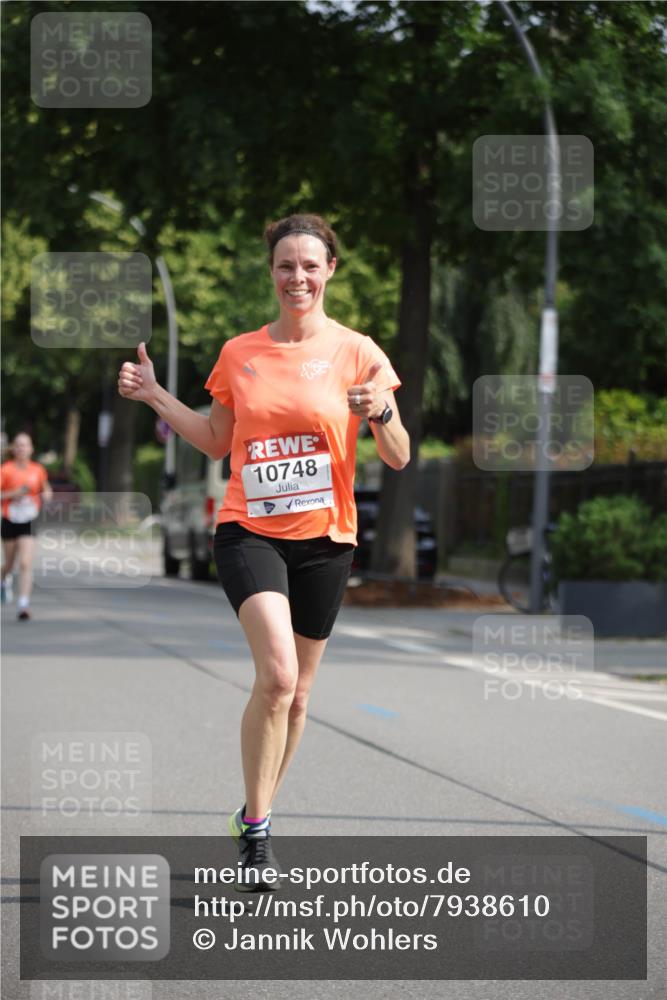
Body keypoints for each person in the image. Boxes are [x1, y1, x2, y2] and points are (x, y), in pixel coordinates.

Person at [118, 213, 410, 890]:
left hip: (326, 541)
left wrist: (381, 413)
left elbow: (396, 457)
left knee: (300, 696)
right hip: (249, 530)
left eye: (310, 265)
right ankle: (257, 835)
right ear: (271, 271)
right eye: (285, 265)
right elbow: (218, 441)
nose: (297, 277)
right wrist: (157, 394)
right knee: (277, 676)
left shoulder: (359, 353)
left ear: (330, 270)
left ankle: (254, 814)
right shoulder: (239, 352)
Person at [0, 433, 53, 620]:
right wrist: (13, 494)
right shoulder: (5, 470)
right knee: (9, 564)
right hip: (9, 519)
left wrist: (47, 495)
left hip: (29, 519)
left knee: (25, 563)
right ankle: (3, 578)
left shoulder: (37, 469)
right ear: (14, 449)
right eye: (18, 445)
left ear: (31, 449)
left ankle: (23, 604)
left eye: (25, 445)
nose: (22, 449)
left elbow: (45, 488)